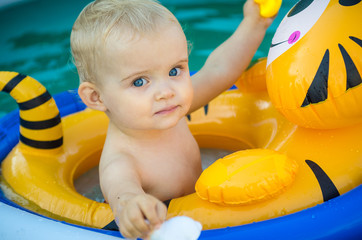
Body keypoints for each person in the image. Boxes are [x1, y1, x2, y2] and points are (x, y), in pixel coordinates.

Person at [70, 0, 274, 238]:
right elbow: (123, 195)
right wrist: (135, 207)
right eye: (139, 81)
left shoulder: (169, 110)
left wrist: (254, 23)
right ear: (96, 97)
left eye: (174, 70)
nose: (166, 91)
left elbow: (219, 70)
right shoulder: (121, 161)